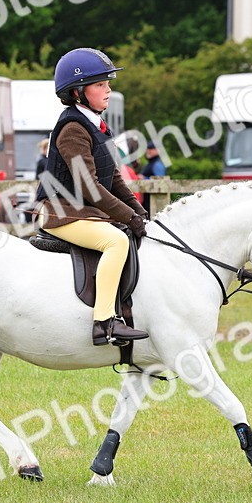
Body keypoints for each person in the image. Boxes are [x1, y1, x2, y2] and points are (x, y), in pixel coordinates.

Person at [33, 48, 149, 346]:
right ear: (77, 93)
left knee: (129, 233)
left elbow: (114, 179)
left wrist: (137, 210)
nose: (108, 89)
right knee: (116, 240)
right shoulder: (73, 129)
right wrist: (128, 218)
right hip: (61, 212)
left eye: (107, 83)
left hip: (80, 210)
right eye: (100, 84)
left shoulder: (97, 126)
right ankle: (105, 323)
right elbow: (91, 188)